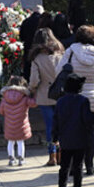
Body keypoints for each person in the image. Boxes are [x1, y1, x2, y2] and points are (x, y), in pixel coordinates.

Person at [59, 25, 94, 175]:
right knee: (89, 133)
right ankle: (90, 165)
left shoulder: (70, 52)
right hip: (92, 98)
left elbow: (58, 71)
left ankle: (74, 166)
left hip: (73, 99)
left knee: (72, 132)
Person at [27, 27, 64, 166]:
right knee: (61, 125)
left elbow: (34, 80)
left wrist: (31, 89)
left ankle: (52, 155)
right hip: (60, 94)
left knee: (50, 127)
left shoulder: (37, 58)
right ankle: (61, 153)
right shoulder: (61, 54)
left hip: (44, 95)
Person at [52, 73, 92, 187]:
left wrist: (55, 137)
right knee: (78, 165)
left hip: (65, 138)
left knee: (64, 165)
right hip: (80, 137)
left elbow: (56, 121)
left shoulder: (60, 102)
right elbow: (87, 119)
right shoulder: (83, 101)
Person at [0, 75, 35, 166]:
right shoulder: (24, 97)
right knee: (20, 141)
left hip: (9, 124)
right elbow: (34, 104)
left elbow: (1, 111)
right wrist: (34, 94)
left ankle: (11, 158)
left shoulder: (5, 97)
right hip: (21, 124)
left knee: (10, 141)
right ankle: (21, 159)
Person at [18, 5, 43, 79]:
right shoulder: (43, 22)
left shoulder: (26, 21)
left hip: (28, 49)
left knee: (28, 72)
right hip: (40, 49)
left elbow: (21, 37)